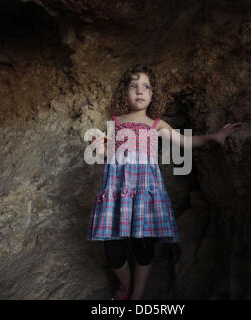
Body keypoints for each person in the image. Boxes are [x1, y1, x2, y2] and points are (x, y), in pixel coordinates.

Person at [86, 64, 242, 300]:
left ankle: (136, 295)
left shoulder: (156, 124)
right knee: (114, 252)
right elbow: (109, 156)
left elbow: (185, 142)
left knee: (144, 247)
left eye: (146, 87)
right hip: (118, 194)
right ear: (124, 93)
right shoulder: (115, 123)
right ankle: (125, 285)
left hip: (145, 194)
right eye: (133, 86)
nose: (140, 91)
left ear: (153, 94)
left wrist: (214, 136)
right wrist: (99, 147)